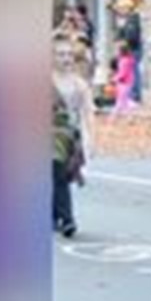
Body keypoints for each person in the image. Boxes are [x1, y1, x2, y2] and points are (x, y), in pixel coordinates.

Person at [52, 36, 95, 239]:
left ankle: (54, 215)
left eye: (69, 54)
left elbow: (87, 112)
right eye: (61, 54)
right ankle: (67, 219)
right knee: (56, 171)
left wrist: (90, 139)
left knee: (60, 175)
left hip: (69, 135)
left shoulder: (79, 84)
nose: (66, 59)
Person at [115, 0, 145, 103]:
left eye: (122, 8)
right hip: (129, 50)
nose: (120, 11)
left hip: (133, 49)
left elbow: (131, 36)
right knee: (131, 72)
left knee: (134, 72)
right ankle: (132, 93)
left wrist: (123, 40)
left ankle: (135, 94)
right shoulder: (127, 20)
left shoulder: (132, 20)